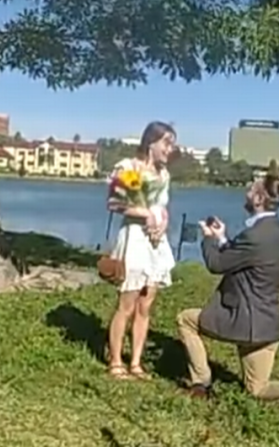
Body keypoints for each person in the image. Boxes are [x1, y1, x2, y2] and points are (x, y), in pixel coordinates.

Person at [175, 175, 279, 414]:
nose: (246, 190)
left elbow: (217, 264)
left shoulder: (254, 235)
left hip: (243, 322)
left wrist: (209, 239)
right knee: (257, 389)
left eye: (250, 188)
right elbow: (244, 258)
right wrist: (223, 238)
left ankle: (201, 383)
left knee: (186, 320)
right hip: (267, 325)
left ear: (259, 198)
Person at [105, 121, 177, 380]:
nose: (170, 149)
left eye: (172, 144)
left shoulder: (164, 175)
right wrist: (146, 214)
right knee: (127, 302)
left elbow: (162, 206)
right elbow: (116, 202)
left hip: (156, 242)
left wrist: (162, 222)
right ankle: (115, 360)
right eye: (166, 143)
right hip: (135, 237)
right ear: (151, 143)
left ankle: (135, 361)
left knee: (146, 304)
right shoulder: (132, 168)